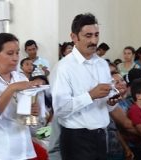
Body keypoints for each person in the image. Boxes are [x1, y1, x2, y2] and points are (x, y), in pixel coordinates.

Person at [51, 13, 118, 160]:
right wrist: (90, 95)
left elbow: (106, 105)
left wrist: (111, 101)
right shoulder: (64, 67)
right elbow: (60, 109)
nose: (94, 41)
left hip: (101, 135)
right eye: (88, 36)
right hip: (76, 139)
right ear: (74, 37)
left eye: (96, 35)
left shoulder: (102, 64)